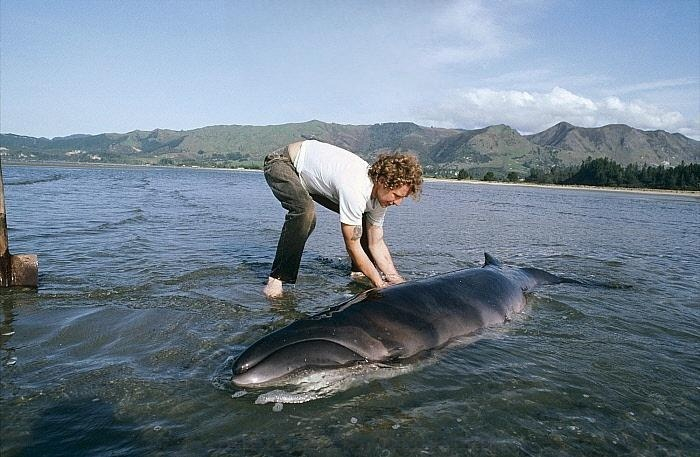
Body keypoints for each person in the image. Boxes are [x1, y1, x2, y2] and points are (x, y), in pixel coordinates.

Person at [262, 139, 423, 298]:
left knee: (365, 218)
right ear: (382, 182)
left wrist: (394, 278)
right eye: (396, 195)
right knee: (305, 212)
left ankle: (359, 272)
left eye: (403, 198)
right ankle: (277, 278)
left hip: (311, 179)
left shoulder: (379, 199)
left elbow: (376, 242)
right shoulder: (356, 188)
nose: (398, 203)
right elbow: (352, 245)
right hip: (283, 162)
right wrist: (379, 284)